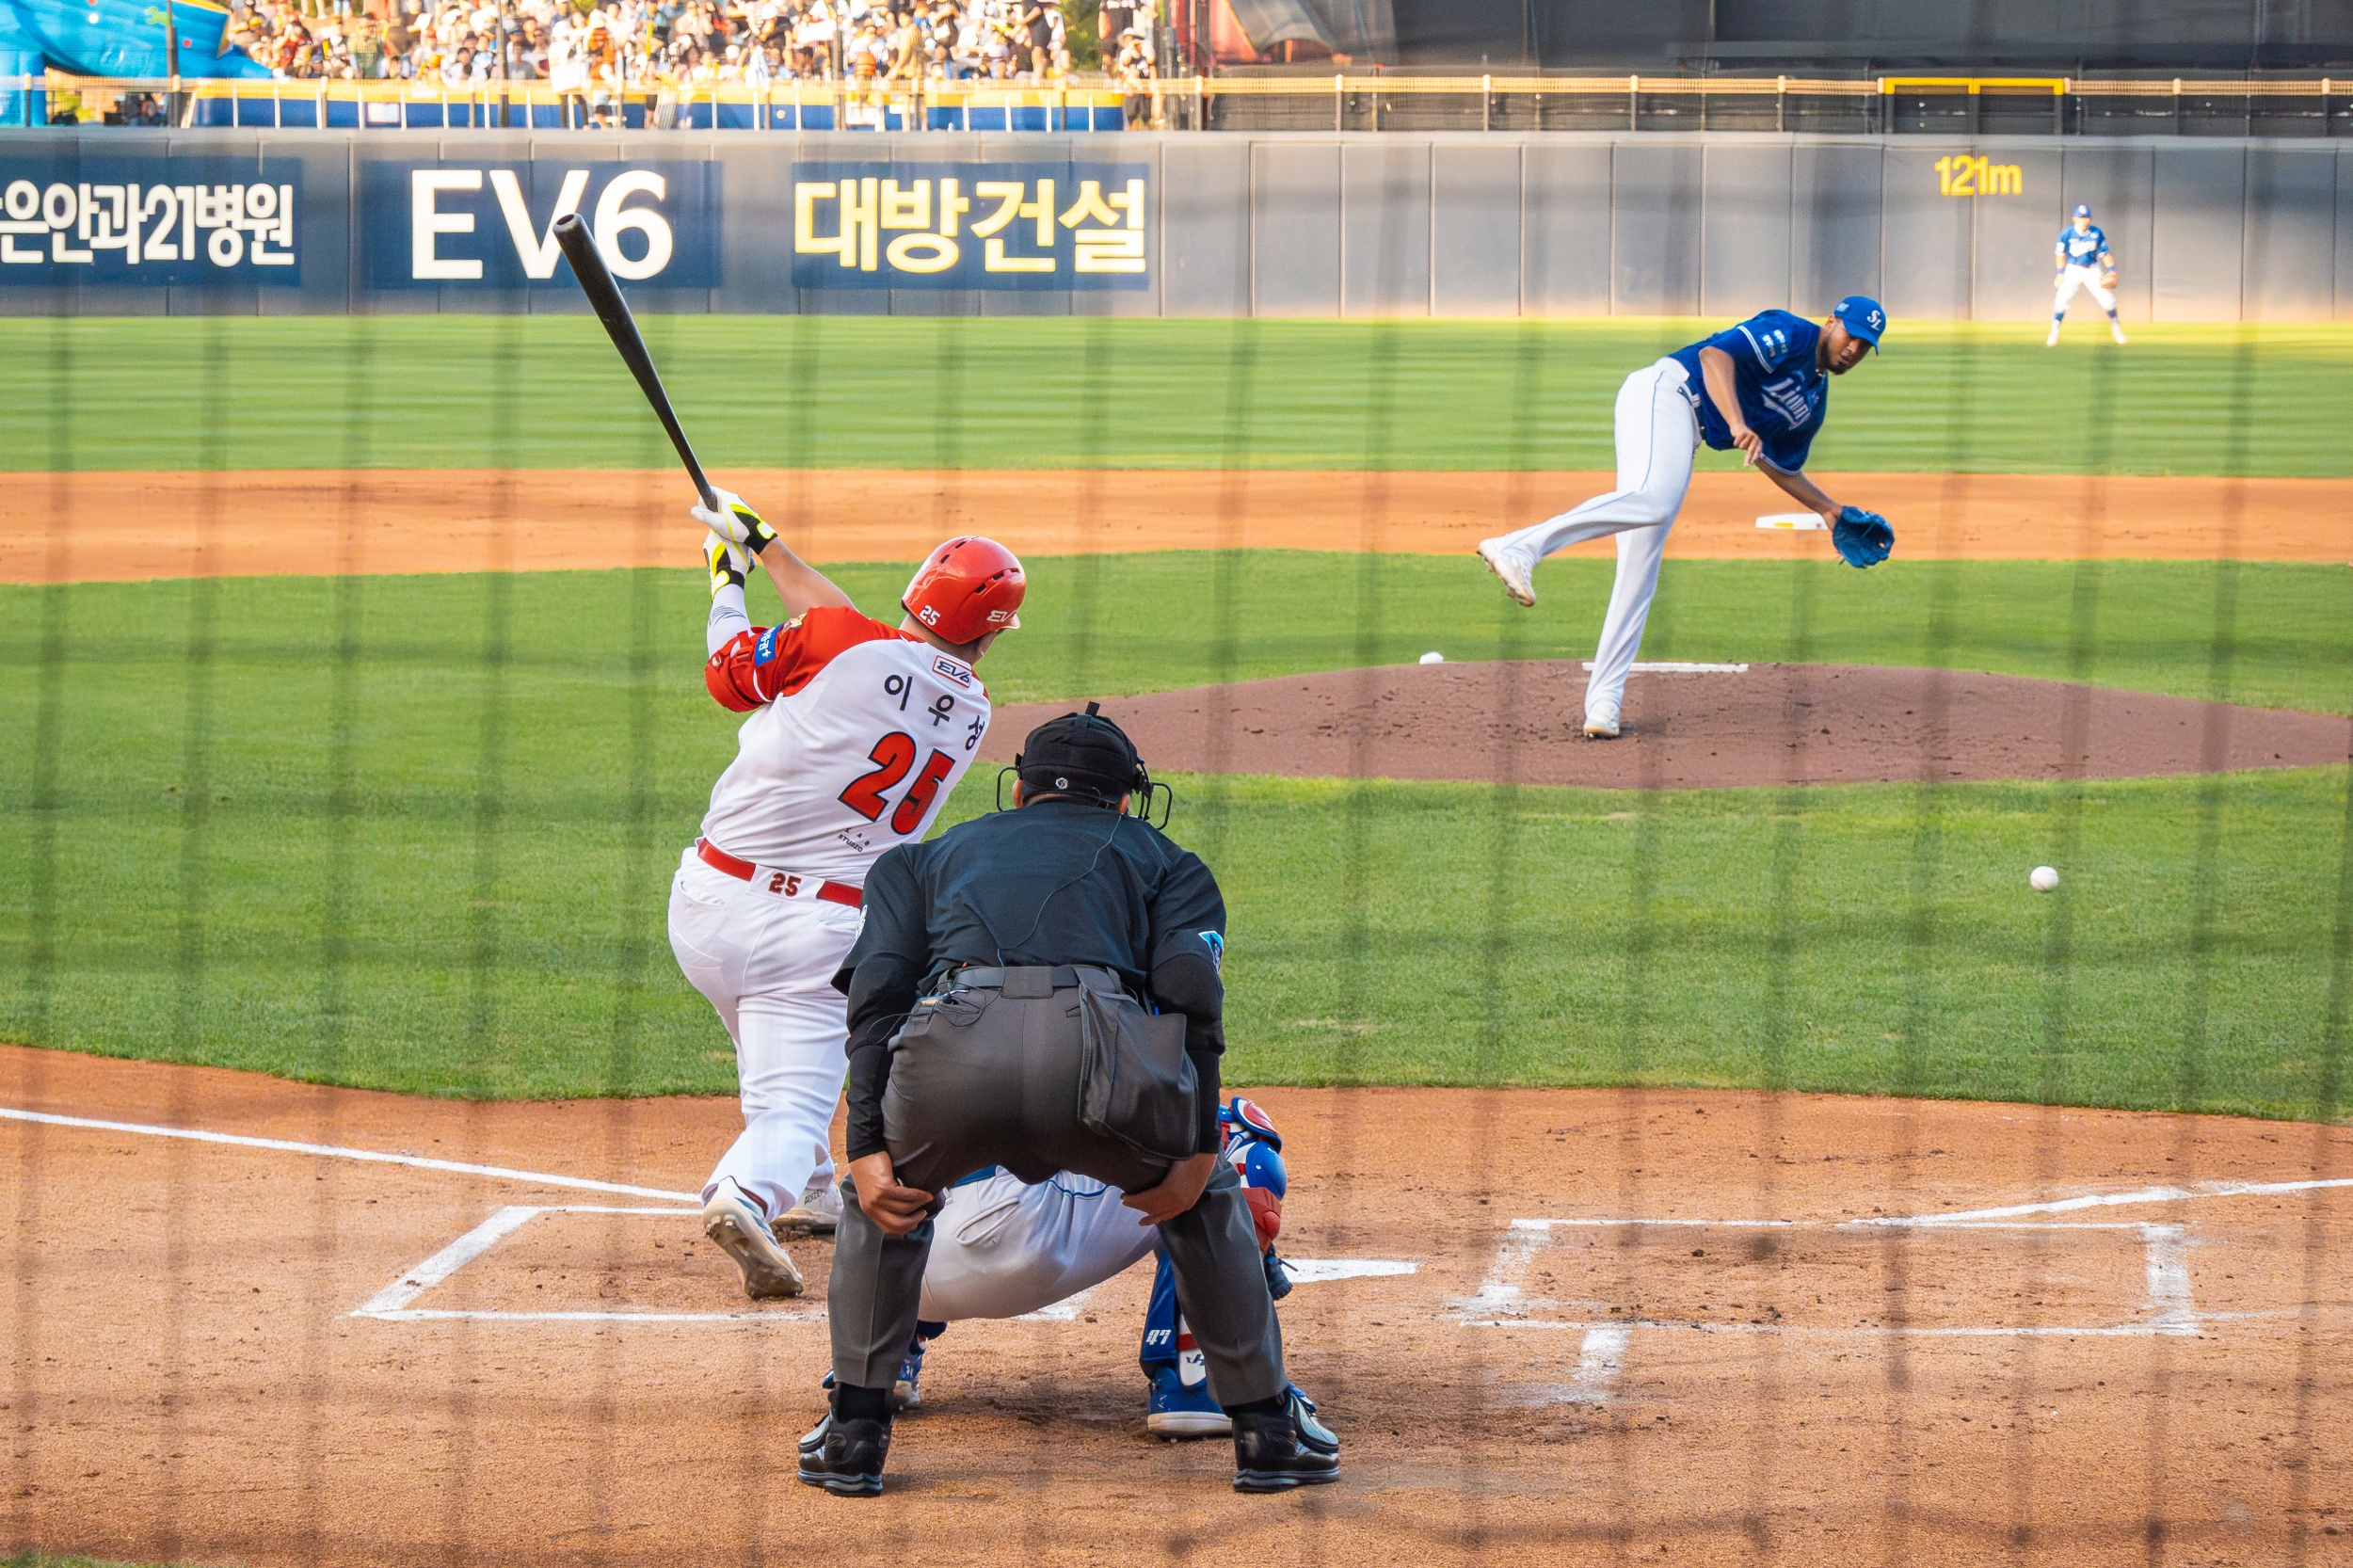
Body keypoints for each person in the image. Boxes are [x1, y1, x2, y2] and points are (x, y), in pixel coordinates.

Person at [801, 707, 1338, 1496]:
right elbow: (1190, 992)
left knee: (882, 1198)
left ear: (1018, 791)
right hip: (1097, 1063)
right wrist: (1195, 1154)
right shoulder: (1168, 860)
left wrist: (867, 1151)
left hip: (950, 1063)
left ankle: (854, 1433)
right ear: (1125, 800)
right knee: (1217, 1181)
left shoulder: (918, 862)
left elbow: (875, 998)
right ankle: (1266, 1433)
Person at [671, 488, 1024, 1303]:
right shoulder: (970, 711)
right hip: (818, 937)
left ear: (917, 590)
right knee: (791, 1104)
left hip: (706, 908)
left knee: (772, 1068)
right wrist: (767, 543)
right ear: (990, 634)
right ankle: (748, 1190)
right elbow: (858, 636)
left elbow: (730, 674)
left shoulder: (839, 643)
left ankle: (811, 1189)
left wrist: (728, 583)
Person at [1475, 297, 1892, 739]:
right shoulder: (1792, 334)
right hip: (1664, 392)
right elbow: (1715, 357)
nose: (1853, 349)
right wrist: (1736, 422)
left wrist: (1828, 510)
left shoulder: (1812, 402)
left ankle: (1603, 703)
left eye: (1865, 346)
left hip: (1682, 427)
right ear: (1831, 322)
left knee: (1640, 566)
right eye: (1851, 335)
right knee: (1654, 499)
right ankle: (1519, 547)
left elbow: (1777, 463)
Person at [871, 1095, 1321, 1446]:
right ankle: (1193, 1378)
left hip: (898, 1252)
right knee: (1229, 1133)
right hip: (1010, 1237)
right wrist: (1245, 1249)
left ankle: (884, 1357)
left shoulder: (938, 1001)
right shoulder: (1089, 998)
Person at [2050, 202, 2127, 346]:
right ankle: (2054, 331)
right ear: (2074, 218)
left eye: (2085, 217)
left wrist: (2112, 270)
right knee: (2061, 300)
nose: (2083, 220)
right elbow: (2060, 254)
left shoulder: (2096, 233)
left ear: (2089, 219)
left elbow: (2105, 254)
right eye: (2080, 217)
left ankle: (2116, 328)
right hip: (2073, 269)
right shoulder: (2067, 233)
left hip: (2092, 269)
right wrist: (2060, 273)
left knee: (2108, 300)